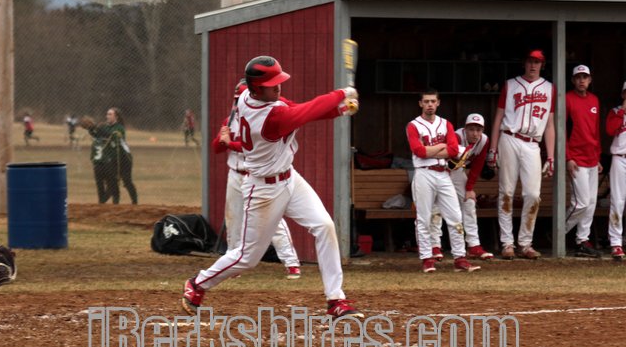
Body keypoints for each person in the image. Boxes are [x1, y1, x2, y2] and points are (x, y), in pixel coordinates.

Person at [182, 55, 362, 319]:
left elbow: (298, 108)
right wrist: (341, 94)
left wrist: (340, 110)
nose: (278, 87)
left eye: (278, 81)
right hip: (263, 190)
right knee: (247, 257)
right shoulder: (270, 118)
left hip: (290, 178)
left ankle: (336, 299)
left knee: (324, 226)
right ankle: (197, 284)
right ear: (256, 88)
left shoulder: (251, 97)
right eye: (271, 84)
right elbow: (307, 111)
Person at [213, 78, 301, 279]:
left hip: (255, 177)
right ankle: (232, 265)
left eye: (240, 98)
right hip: (235, 175)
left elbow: (248, 148)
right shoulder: (230, 121)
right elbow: (216, 148)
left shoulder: (261, 118)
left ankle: (291, 262)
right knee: (233, 221)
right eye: (236, 99)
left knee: (273, 221)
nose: (237, 104)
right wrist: (222, 139)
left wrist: (230, 143)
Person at [487, 49, 555, 260]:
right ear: (524, 63)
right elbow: (498, 118)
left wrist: (550, 156)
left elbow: (550, 125)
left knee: (533, 194)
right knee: (506, 192)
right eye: (530, 61)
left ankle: (525, 243)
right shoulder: (510, 84)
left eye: (537, 62)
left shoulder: (549, 88)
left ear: (542, 65)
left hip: (533, 143)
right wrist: (493, 148)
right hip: (509, 137)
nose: (533, 65)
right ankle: (507, 243)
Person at [406, 88, 481, 273]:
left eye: (433, 101)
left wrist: (431, 150)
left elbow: (454, 150)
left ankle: (460, 258)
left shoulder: (445, 123)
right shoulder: (413, 125)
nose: (430, 104)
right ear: (420, 104)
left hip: (444, 172)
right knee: (424, 218)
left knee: (455, 217)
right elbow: (419, 151)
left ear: (438, 103)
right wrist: (441, 146)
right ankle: (427, 258)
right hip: (424, 173)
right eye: (426, 101)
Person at [429, 113, 494, 261]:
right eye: (471, 129)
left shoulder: (484, 140)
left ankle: (473, 245)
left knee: (469, 201)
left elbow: (477, 165)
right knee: (436, 205)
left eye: (478, 130)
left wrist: (470, 188)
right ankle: (434, 246)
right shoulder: (457, 137)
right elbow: (443, 158)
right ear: (465, 129)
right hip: (439, 169)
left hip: (456, 170)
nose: (475, 133)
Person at [565, 65, 603, 258]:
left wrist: (598, 157)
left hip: (592, 158)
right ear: (573, 80)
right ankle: (558, 232)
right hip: (576, 158)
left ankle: (582, 240)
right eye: (578, 77)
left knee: (591, 202)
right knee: (580, 203)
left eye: (585, 77)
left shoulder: (594, 99)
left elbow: (595, 130)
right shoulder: (567, 99)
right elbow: (562, 130)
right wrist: (568, 157)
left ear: (589, 80)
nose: (582, 80)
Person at [606, 81, 626, 261]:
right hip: (620, 158)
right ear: (623, 94)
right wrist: (622, 111)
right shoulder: (615, 111)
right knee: (618, 201)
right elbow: (610, 129)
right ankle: (616, 242)